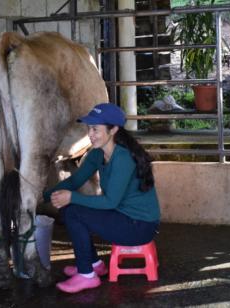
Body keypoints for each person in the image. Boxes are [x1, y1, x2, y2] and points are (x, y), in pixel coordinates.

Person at [43, 103, 161, 293]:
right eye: (89, 128)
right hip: (121, 216)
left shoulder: (123, 158)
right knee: (68, 209)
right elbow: (75, 181)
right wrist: (44, 196)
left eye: (96, 129)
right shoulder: (97, 154)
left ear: (113, 129)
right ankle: (94, 264)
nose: (90, 134)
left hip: (140, 226)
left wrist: (72, 198)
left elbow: (110, 202)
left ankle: (87, 276)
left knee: (73, 211)